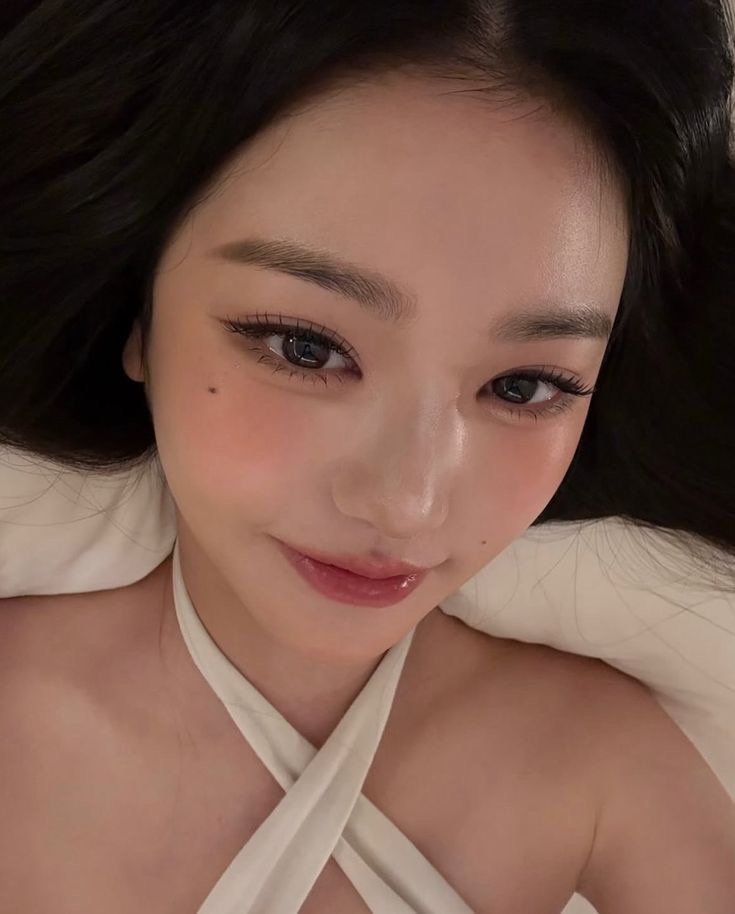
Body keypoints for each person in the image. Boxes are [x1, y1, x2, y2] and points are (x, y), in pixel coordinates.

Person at [1, 1, 734, 912]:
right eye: (305, 348)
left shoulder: (593, 762)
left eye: (523, 386)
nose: (406, 503)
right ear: (136, 314)